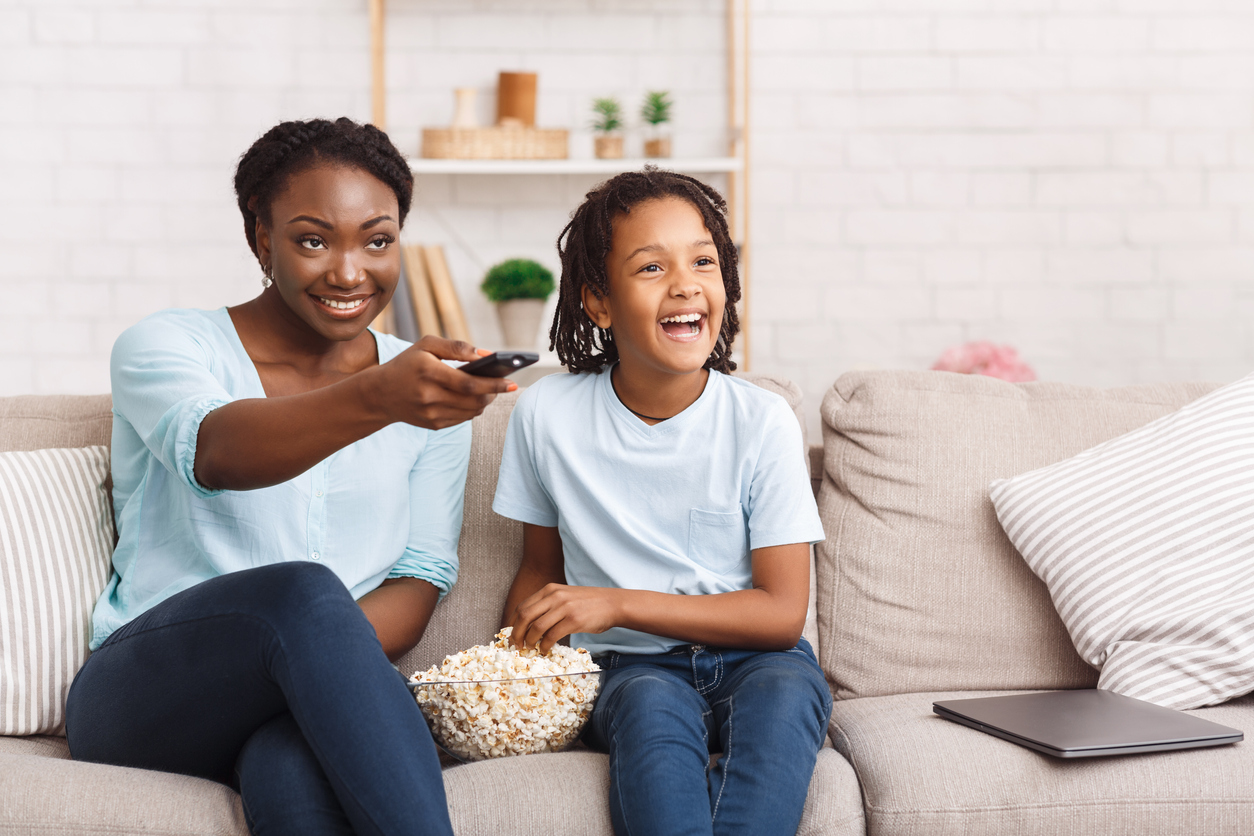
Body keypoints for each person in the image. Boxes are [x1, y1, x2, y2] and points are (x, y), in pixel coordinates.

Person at [64, 117, 512, 836]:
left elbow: (420, 577)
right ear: (260, 238)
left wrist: (317, 664)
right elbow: (215, 452)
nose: (348, 271)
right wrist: (379, 398)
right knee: (302, 591)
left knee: (291, 762)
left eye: (378, 239)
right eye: (313, 239)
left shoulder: (423, 388)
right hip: (146, 694)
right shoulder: (169, 345)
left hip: (296, 700)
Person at [493, 168, 831, 836]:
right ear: (598, 302)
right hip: (627, 666)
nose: (685, 283)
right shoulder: (544, 415)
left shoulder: (761, 422)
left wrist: (617, 601)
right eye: (651, 267)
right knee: (648, 708)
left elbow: (781, 616)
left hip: (760, 661)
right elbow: (539, 566)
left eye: (704, 261)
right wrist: (509, 670)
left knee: (788, 694)